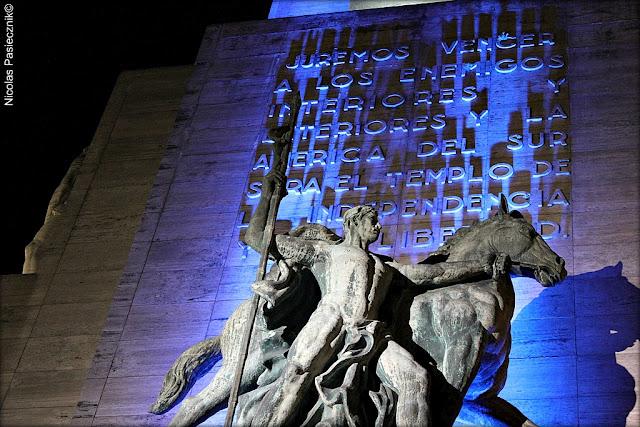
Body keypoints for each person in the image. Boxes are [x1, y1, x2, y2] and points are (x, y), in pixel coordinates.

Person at [243, 145, 500, 426]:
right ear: (353, 222)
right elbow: (257, 237)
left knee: (416, 378)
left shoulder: (387, 267)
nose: (379, 227)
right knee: (297, 375)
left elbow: (434, 274)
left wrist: (484, 266)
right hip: (329, 322)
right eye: (373, 221)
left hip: (370, 333)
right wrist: (268, 193)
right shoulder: (323, 251)